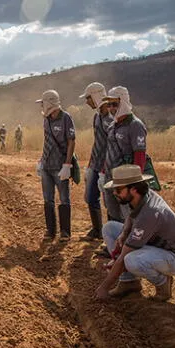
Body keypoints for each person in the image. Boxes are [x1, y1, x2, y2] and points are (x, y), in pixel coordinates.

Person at [95, 165, 175, 301]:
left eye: (118, 189)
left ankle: (163, 283)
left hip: (174, 258)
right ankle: (128, 282)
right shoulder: (140, 197)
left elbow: (123, 257)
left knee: (130, 260)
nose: (114, 193)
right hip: (155, 247)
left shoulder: (150, 213)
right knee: (110, 229)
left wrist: (103, 288)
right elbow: (130, 217)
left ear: (133, 189)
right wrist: (124, 233)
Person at [101, 86, 148, 223]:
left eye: (114, 104)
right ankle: (114, 243)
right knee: (112, 212)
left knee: (128, 216)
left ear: (124, 102)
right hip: (110, 178)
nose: (111, 108)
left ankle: (128, 243)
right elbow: (109, 151)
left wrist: (134, 182)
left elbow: (139, 154)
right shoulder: (112, 126)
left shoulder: (135, 125)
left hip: (125, 181)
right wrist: (103, 173)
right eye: (108, 105)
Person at [36, 90, 76, 241]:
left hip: (60, 166)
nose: (41, 105)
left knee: (64, 198)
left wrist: (67, 164)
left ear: (49, 103)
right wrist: (41, 160)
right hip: (46, 166)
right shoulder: (46, 119)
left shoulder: (66, 118)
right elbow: (46, 141)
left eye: (42, 102)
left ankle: (65, 232)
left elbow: (71, 140)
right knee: (48, 199)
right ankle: (50, 231)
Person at [79, 82, 113, 241]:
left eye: (88, 98)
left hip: (107, 168)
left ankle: (112, 236)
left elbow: (113, 146)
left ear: (96, 96)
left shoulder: (112, 119)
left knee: (110, 203)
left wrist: (105, 170)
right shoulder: (97, 117)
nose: (87, 102)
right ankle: (97, 230)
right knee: (91, 197)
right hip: (95, 165)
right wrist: (89, 166)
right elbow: (97, 143)